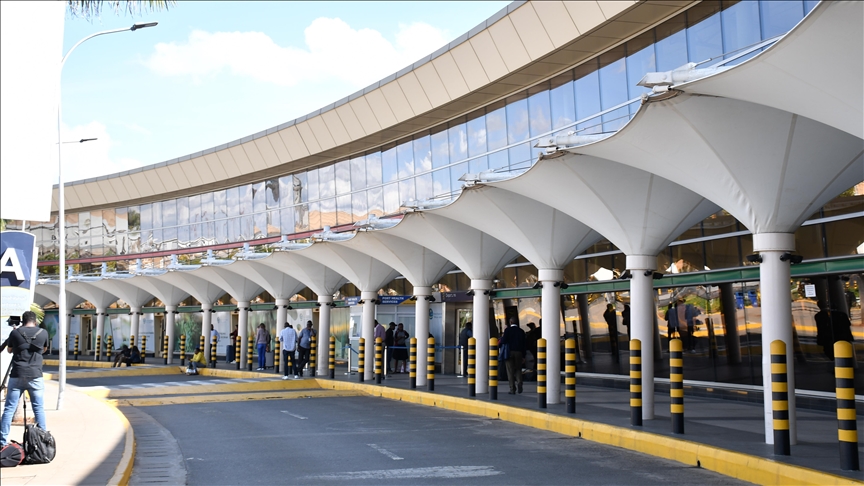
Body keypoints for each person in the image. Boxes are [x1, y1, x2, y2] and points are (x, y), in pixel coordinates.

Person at [1, 311, 48, 447]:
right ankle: (43, 442)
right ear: (35, 321)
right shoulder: (43, 333)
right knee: (38, 408)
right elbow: (44, 349)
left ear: (23, 321)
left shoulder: (15, 333)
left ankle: (1, 442)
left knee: (9, 409)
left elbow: (9, 350)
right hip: (35, 375)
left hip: (17, 374)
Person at [499, 318, 526, 394]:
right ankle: (520, 382)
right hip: (519, 353)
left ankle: (512, 389)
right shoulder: (521, 331)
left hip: (509, 352)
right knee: (518, 369)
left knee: (510, 371)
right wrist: (524, 356)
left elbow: (503, 341)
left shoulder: (508, 330)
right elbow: (524, 344)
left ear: (510, 322)